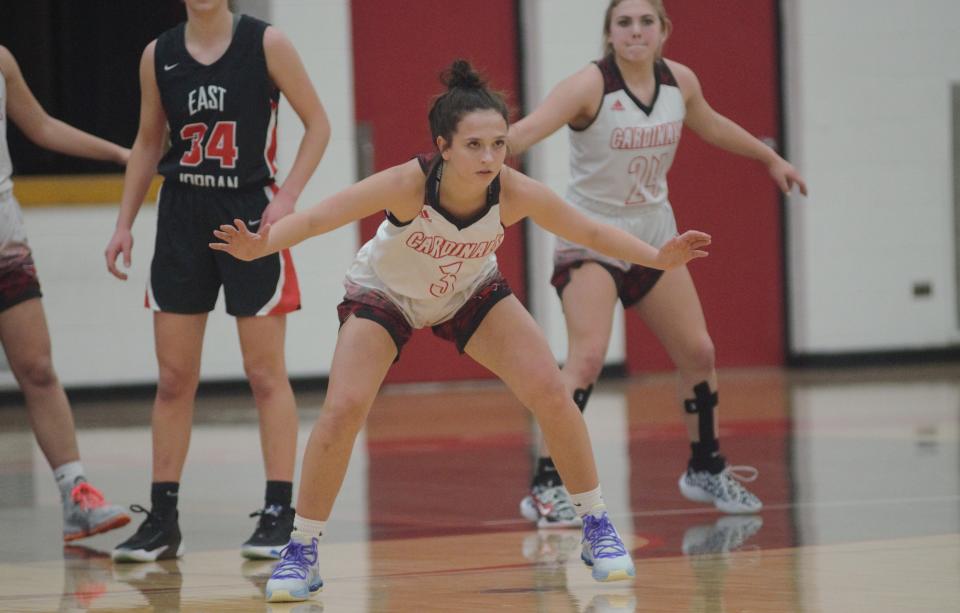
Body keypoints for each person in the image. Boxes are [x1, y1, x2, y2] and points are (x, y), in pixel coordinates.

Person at [211, 59, 712, 602]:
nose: (490, 157)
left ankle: (595, 526)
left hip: (470, 291)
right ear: (443, 146)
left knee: (552, 390)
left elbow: (588, 228)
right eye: (475, 145)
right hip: (387, 294)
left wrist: (656, 257)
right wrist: (265, 243)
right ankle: (301, 549)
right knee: (343, 409)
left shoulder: (514, 190)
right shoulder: (409, 183)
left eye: (499, 144)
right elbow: (319, 217)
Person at [508, 0, 808, 528]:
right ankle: (546, 484)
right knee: (589, 356)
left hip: (654, 237)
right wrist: (483, 151)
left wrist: (769, 157)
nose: (636, 31)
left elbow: (711, 124)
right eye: (624, 22)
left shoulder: (679, 82)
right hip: (593, 238)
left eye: (647, 21)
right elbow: (528, 131)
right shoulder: (588, 86)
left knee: (698, 351)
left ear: (664, 30)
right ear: (609, 34)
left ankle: (705, 467)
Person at [104, 0, 330, 562]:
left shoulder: (266, 44)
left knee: (264, 373)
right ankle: (163, 519)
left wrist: (288, 197)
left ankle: (280, 511)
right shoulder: (158, 54)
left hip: (249, 216)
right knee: (175, 378)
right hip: (181, 218)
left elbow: (318, 125)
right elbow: (148, 143)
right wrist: (123, 224)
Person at [0, 45, 130, 541]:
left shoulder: (3, 61)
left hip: (5, 239)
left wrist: (119, 153)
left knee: (37, 367)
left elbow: (43, 126)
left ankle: (76, 495)